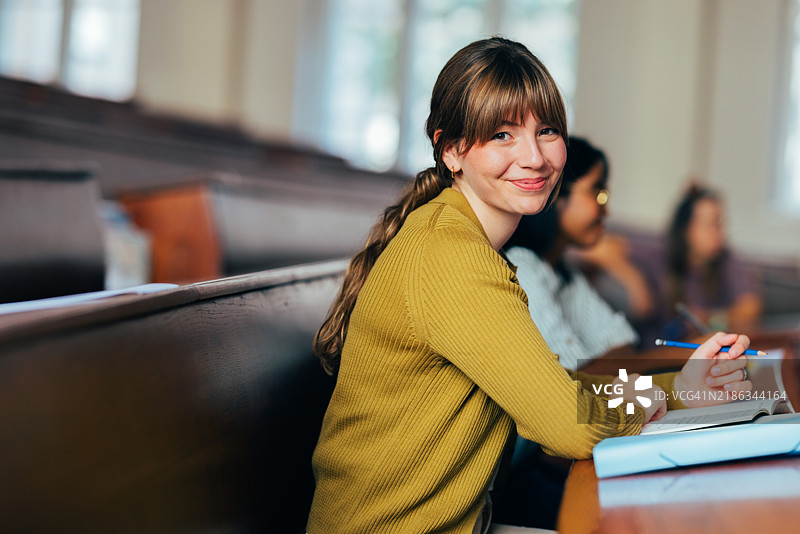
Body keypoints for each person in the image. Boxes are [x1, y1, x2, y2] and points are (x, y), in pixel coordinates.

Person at [307, 37, 751, 534]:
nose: (535, 157)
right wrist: (665, 395)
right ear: (451, 150)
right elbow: (568, 425)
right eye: (502, 134)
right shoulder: (451, 257)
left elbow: (556, 392)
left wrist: (679, 386)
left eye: (547, 131)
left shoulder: (463, 242)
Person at [504, 136, 651, 371]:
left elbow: (622, 347)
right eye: (597, 192)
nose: (606, 209)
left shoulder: (566, 276)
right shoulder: (520, 268)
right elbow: (571, 380)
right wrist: (687, 354)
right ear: (556, 193)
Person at [632, 184, 762, 346]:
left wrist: (709, 318)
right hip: (656, 359)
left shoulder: (725, 258)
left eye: (721, 223)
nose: (719, 232)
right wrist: (633, 281)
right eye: (710, 224)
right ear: (686, 229)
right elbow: (604, 249)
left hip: (699, 356)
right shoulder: (659, 254)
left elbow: (750, 307)